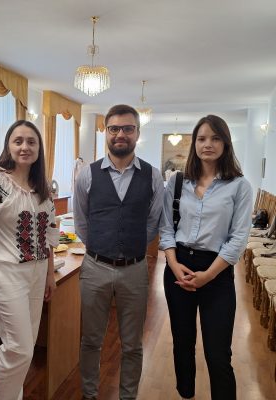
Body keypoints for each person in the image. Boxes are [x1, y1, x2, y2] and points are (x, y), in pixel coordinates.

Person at [0, 120, 59, 400]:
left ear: (39, 149)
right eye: (18, 141)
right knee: (19, 349)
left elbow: (49, 234)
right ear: (8, 145)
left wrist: (50, 274)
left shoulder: (42, 186)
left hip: (37, 272)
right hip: (6, 273)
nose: (24, 147)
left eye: (31, 141)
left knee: (25, 347)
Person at [73, 104, 164, 400]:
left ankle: (128, 396)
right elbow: (81, 221)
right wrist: (101, 246)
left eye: (127, 128)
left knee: (132, 344)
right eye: (114, 128)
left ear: (137, 132)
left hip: (135, 270)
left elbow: (153, 222)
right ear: (106, 132)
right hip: (95, 267)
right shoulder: (87, 175)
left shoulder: (153, 176)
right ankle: (89, 394)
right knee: (90, 340)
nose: (120, 134)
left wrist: (131, 245)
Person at [159, 115, 253, 400]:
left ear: (226, 143)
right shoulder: (177, 182)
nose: (207, 144)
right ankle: (186, 394)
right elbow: (166, 228)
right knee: (182, 343)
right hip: (178, 267)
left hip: (217, 271)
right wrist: (174, 265)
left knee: (218, 352)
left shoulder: (239, 186)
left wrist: (208, 276)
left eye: (215, 138)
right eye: (201, 139)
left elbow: (238, 238)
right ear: (194, 144)